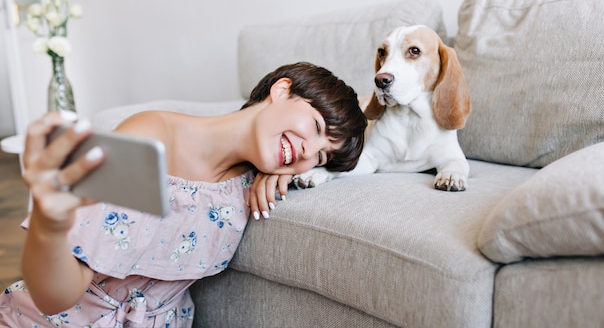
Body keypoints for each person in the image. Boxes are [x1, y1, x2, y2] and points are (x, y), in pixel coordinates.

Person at [0, 62, 367, 327]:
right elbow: (54, 298)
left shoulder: (254, 182)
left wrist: (292, 173)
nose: (308, 153)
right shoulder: (149, 137)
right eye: (316, 127)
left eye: (320, 156)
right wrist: (49, 224)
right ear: (281, 90)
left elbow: (382, 108)